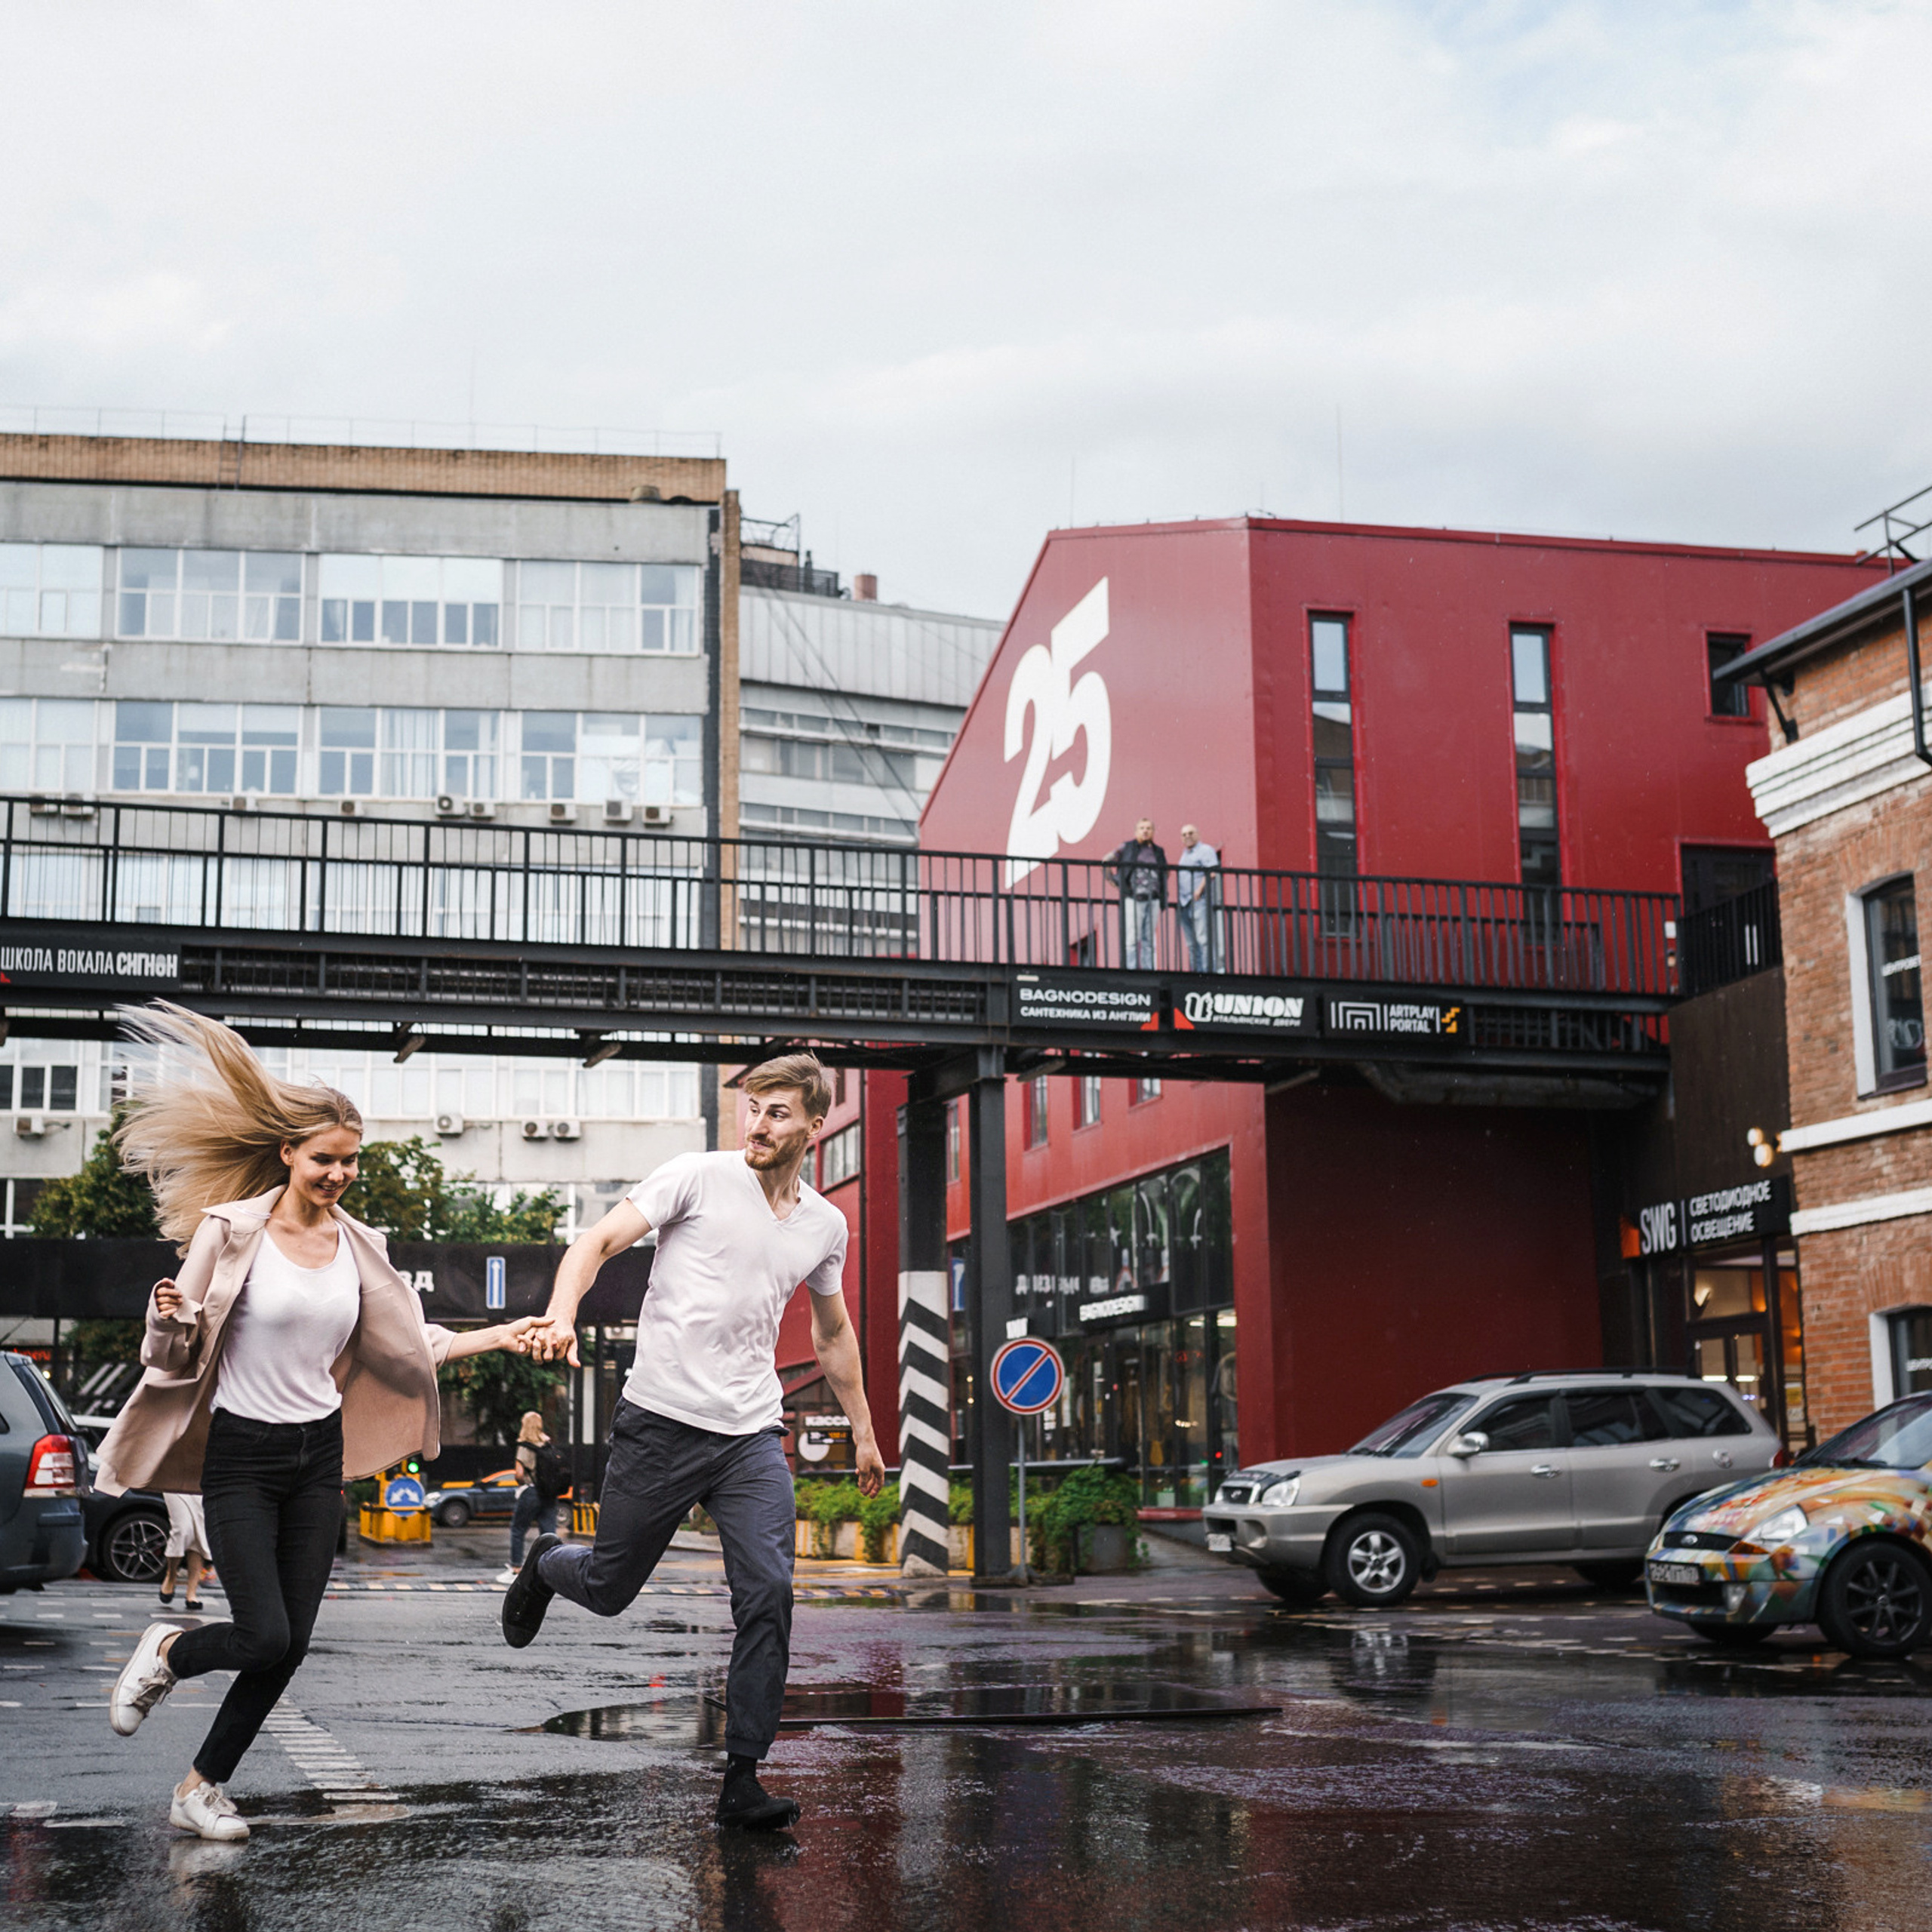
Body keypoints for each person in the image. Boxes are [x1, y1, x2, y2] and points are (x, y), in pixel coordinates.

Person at [95, 1002, 537, 1844]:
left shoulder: (359, 1246)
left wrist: (499, 1332)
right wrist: (164, 1316)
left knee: (290, 1644)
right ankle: (167, 1652)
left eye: (350, 1161)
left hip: (315, 1457)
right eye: (325, 1159)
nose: (339, 1174)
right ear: (289, 1153)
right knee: (263, 1631)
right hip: (241, 1455)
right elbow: (175, 1348)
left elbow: (409, 1342)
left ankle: (201, 1786)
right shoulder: (231, 1232)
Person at [502, 1051, 884, 1833]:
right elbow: (597, 1242)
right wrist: (565, 1313)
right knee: (609, 1588)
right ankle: (545, 1562)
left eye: (778, 1112)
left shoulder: (824, 1223)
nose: (758, 1123)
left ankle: (742, 1776)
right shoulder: (696, 1175)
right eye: (751, 1107)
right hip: (661, 1419)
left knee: (769, 1593)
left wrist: (866, 1433)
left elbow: (833, 1331)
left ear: (815, 1124)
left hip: (749, 1430)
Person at [497, 1409, 565, 1586]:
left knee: (518, 1530)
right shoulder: (548, 1445)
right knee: (549, 1533)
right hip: (549, 1493)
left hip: (531, 1491)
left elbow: (519, 1474)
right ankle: (551, 1570)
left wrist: (523, 1480)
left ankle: (516, 1569)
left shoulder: (525, 1447)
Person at [1106, 817, 1168, 970]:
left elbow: (1165, 872)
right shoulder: (1127, 847)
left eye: (1148, 828)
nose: (1145, 831)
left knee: (1149, 938)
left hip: (1153, 898)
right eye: (1142, 828)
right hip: (1133, 897)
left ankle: (1148, 969)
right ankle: (1131, 969)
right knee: (1132, 938)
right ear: (1136, 831)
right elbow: (1106, 860)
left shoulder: (1158, 851)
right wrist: (1113, 881)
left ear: (1153, 831)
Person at [1177, 823, 1221, 973]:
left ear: (1198, 834)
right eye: (1184, 834)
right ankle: (1196, 972)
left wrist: (1199, 890)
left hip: (1199, 900)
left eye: (1190, 833)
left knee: (1203, 939)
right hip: (1184, 902)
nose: (1187, 836)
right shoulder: (1185, 855)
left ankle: (1209, 972)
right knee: (1191, 943)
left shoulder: (1205, 850)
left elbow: (1212, 872)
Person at [158, 1493, 211, 1611]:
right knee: (182, 1529)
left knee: (199, 1534)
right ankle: (171, 1574)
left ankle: (191, 1593)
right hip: (174, 1481)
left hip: (199, 1484)